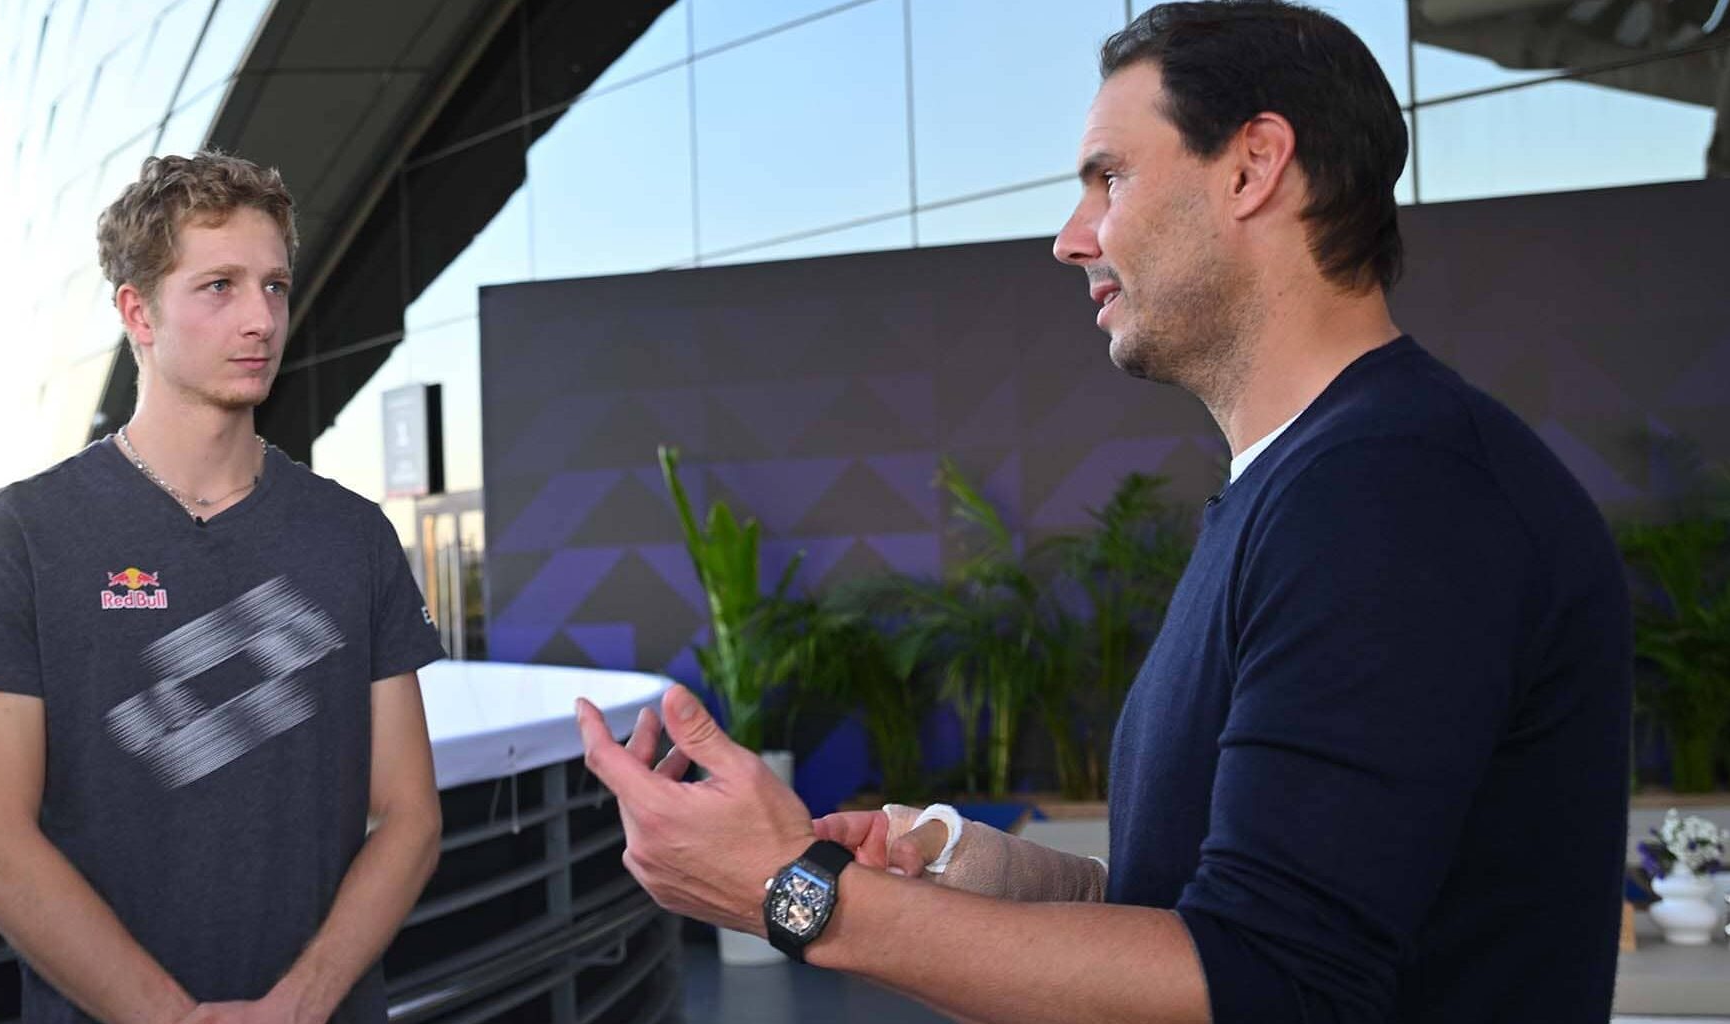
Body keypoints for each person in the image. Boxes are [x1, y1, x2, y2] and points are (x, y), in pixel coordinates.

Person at [573, 2, 1632, 1021]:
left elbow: (1272, 985)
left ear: (1254, 165)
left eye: (1109, 178)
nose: (1072, 238)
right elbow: (1200, 922)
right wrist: (957, 863)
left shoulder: (1395, 493)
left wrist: (792, 893)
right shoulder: (1314, 482)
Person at [0, 150, 449, 1024]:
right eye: (219, 286)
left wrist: (300, 1006)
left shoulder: (354, 537)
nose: (261, 318)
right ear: (138, 312)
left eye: (273, 285)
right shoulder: (17, 537)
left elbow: (410, 819)